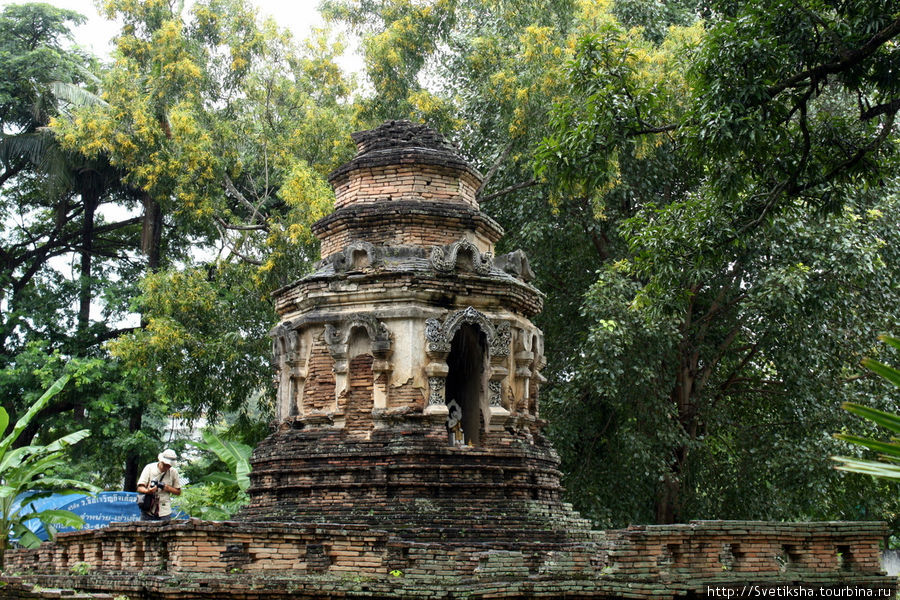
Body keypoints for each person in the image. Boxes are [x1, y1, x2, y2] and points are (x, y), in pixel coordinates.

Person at [137, 448, 183, 521]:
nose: (167, 467)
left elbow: (178, 492)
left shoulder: (174, 472)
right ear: (161, 461)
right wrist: (148, 491)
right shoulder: (149, 468)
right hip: (148, 508)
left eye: (169, 466)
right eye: (165, 465)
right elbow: (140, 487)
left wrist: (167, 488)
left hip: (164, 510)